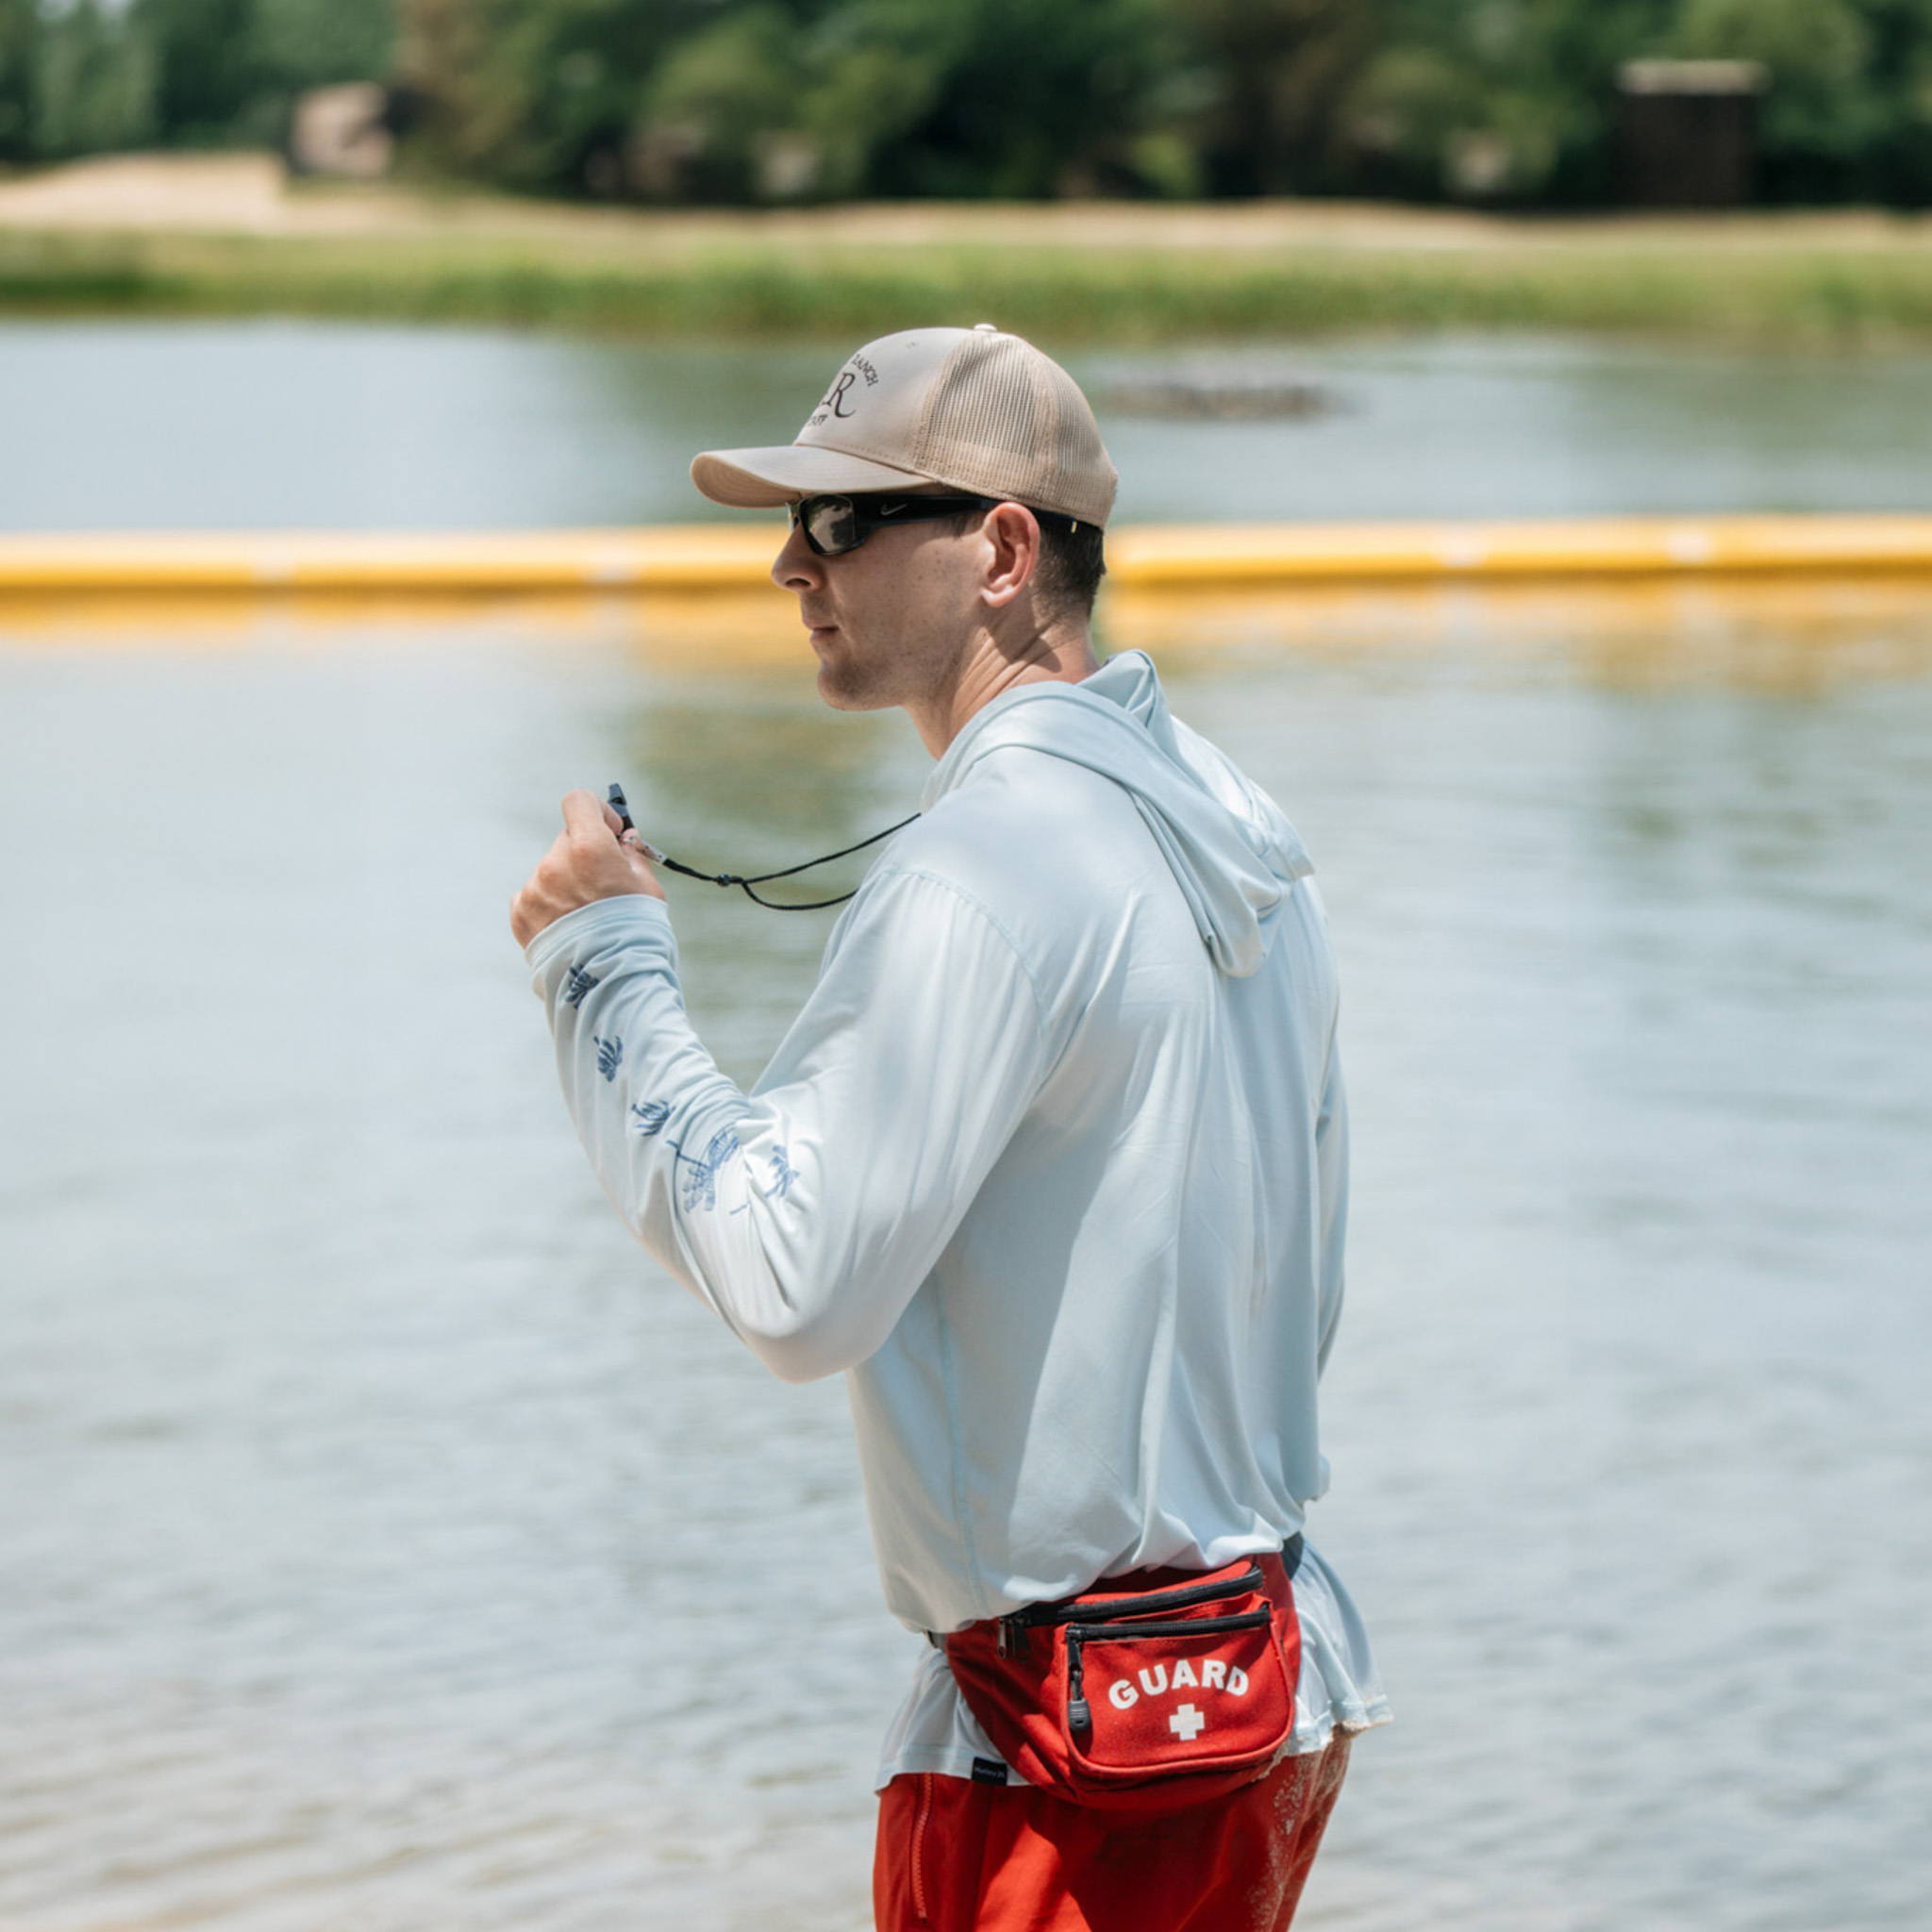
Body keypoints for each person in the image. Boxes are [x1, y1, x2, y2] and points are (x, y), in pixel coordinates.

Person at [509, 325, 1389, 1931]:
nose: (789, 562)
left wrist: (605, 972)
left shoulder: (985, 867)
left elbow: (792, 1286)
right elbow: (1307, 1286)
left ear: (1001, 550)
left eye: (841, 521)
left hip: (1063, 1755)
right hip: (1254, 1698)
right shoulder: (1244, 835)